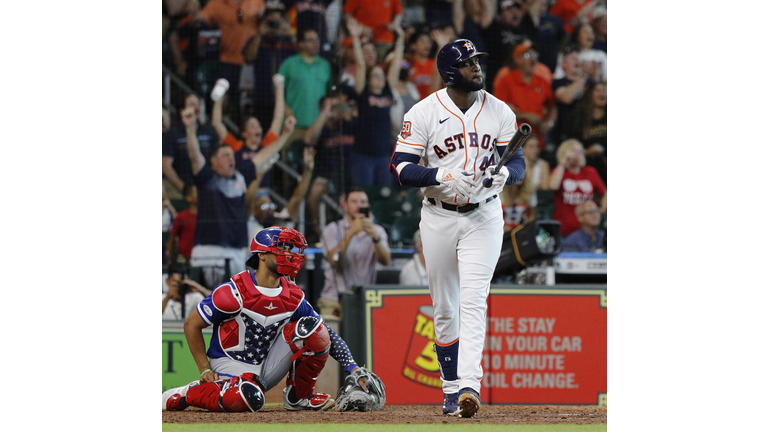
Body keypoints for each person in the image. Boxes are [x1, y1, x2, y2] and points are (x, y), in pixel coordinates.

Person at [389, 38, 526, 418]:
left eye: (477, 61)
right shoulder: (423, 112)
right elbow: (400, 168)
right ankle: (450, 389)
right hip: (439, 215)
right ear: (451, 72)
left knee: (474, 299)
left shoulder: (498, 109)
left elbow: (517, 162)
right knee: (445, 308)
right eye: (468, 63)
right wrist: (441, 175)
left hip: (484, 215)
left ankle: (469, 386)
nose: (477, 68)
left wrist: (504, 176)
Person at [162, 226, 369, 412]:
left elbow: (326, 334)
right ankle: (188, 393)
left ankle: (299, 397)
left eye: (290, 249)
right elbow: (191, 324)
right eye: (282, 248)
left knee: (315, 329)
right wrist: (204, 369)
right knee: (245, 398)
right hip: (228, 366)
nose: (289, 255)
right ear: (261, 254)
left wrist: (354, 368)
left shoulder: (294, 296)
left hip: (266, 371)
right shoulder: (233, 292)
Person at [182, 105, 249, 287]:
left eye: (232, 155)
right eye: (225, 155)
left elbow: (262, 157)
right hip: (209, 251)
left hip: (237, 251)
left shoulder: (241, 178)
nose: (231, 158)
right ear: (213, 161)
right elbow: (195, 156)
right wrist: (190, 129)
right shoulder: (207, 178)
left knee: (238, 301)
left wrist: (286, 133)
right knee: (209, 299)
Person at [348, 17, 405, 187]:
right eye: (376, 75)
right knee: (363, 193)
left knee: (383, 195)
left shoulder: (388, 91)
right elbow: (360, 65)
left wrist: (400, 38)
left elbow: (396, 64)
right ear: (368, 79)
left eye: (381, 75)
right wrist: (355, 38)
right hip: (362, 155)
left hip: (383, 155)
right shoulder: (363, 93)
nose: (380, 78)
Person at [318, 188, 391, 319]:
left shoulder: (378, 231)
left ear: (368, 205)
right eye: (354, 201)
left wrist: (375, 238)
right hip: (334, 300)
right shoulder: (332, 229)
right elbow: (333, 259)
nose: (359, 206)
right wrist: (351, 232)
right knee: (329, 332)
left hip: (364, 298)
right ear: (345, 205)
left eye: (363, 202)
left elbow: (386, 261)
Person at [210, 75, 293, 189]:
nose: (258, 129)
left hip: (262, 192)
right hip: (241, 190)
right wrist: (219, 93)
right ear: (244, 133)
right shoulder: (236, 147)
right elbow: (217, 123)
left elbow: (278, 119)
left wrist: (279, 88)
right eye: (253, 126)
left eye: (259, 126)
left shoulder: (266, 146)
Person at [192, 0, 266, 126]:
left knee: (249, 103)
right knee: (222, 99)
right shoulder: (217, 3)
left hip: (254, 61)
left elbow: (267, 19)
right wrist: (196, 15)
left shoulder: (256, 2)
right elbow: (199, 18)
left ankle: (247, 129)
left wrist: (263, 15)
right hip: (227, 60)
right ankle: (219, 127)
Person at [494, 39, 557, 151]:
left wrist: (549, 123)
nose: (533, 58)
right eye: (527, 54)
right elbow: (497, 112)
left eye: (534, 54)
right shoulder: (506, 81)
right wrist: (526, 116)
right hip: (512, 143)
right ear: (517, 60)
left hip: (537, 143)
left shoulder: (542, 82)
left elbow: (552, 106)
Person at [246, 145, 317, 241]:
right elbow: (249, 199)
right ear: (255, 211)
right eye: (264, 206)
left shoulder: (280, 221)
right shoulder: (252, 224)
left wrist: (308, 170)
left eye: (271, 205)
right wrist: (260, 174)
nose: (270, 208)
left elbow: (297, 198)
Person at [278, 28, 332, 150]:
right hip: (293, 125)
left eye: (317, 40)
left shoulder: (325, 65)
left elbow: (329, 93)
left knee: (314, 159)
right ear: (301, 44)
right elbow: (277, 91)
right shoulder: (289, 63)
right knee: (289, 157)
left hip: (318, 127)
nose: (316, 43)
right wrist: (285, 108)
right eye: (311, 40)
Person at [163, 94, 220, 200]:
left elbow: (217, 158)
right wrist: (184, 189)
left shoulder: (209, 131)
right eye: (192, 104)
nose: (196, 108)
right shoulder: (172, 133)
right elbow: (165, 165)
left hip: (206, 185)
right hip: (179, 187)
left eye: (198, 104)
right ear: (182, 111)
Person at [548, 138, 606, 237]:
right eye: (574, 152)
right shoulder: (560, 172)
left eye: (580, 151)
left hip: (587, 231)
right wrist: (562, 162)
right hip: (564, 230)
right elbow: (552, 186)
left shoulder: (590, 172)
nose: (578, 155)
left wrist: (601, 211)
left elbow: (605, 193)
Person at [551, 46, 591, 144]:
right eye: (573, 58)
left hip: (588, 132)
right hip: (566, 133)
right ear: (563, 64)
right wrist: (583, 75)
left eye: (578, 58)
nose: (577, 60)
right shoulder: (558, 82)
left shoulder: (589, 82)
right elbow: (566, 98)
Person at [571, 81, 607, 184]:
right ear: (589, 95)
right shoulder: (579, 119)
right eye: (597, 90)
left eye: (604, 90)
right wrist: (586, 152)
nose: (602, 93)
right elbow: (570, 148)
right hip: (585, 167)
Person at [166, 183, 198, 264]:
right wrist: (168, 260)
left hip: (201, 258)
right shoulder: (181, 216)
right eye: (195, 192)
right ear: (188, 198)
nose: (199, 195)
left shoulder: (205, 216)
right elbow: (171, 240)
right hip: (184, 259)